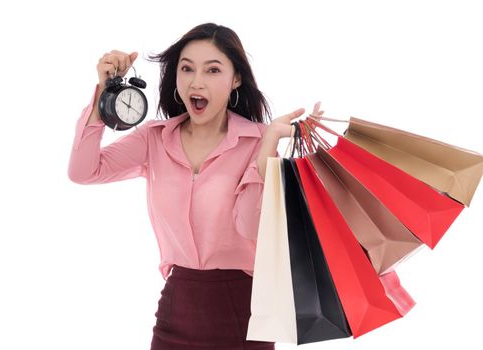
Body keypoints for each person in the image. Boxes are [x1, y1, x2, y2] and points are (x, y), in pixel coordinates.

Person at [68, 23, 323, 349]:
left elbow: (249, 225)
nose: (196, 81)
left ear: (236, 79)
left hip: (242, 312)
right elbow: (83, 171)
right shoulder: (154, 138)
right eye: (186, 69)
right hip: (177, 308)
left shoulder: (258, 141)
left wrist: (268, 146)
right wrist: (101, 97)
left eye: (212, 70)